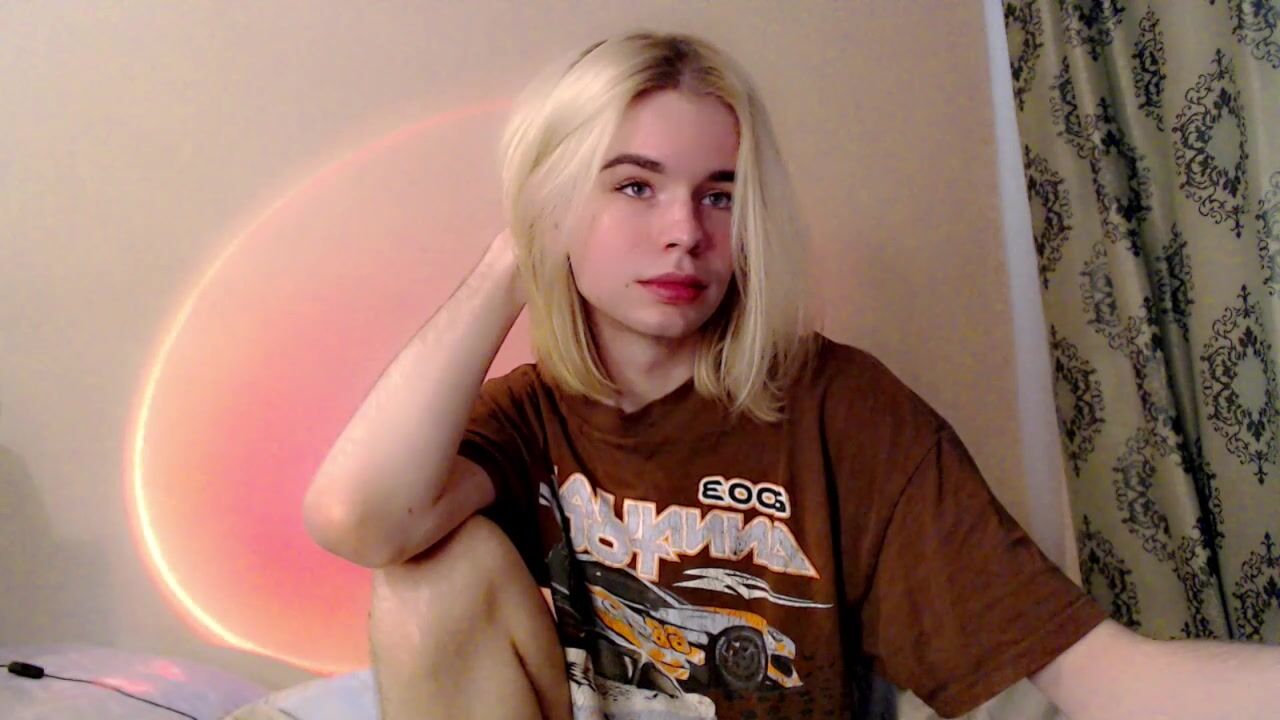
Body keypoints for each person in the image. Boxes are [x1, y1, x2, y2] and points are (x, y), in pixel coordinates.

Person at [303, 31, 1280, 720]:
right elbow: (358, 518)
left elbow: (1099, 674)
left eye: (720, 195)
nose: (683, 232)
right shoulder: (528, 422)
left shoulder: (842, 411)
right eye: (634, 185)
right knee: (427, 576)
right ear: (554, 205)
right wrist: (511, 258)